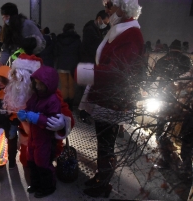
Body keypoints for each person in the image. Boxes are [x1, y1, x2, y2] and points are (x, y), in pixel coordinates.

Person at [76, 0, 144, 197]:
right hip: (107, 95)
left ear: (123, 7)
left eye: (110, 6)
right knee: (104, 142)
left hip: (112, 98)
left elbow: (117, 70)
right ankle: (101, 178)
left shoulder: (131, 34)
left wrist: (83, 73)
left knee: (106, 143)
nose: (106, 10)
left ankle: (103, 183)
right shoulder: (120, 29)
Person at [18, 65, 61, 198]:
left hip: (44, 138)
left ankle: (48, 187)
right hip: (33, 136)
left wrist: (38, 118)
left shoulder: (53, 100)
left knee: (42, 162)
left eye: (40, 84)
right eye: (36, 83)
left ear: (48, 84)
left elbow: (53, 120)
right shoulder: (35, 96)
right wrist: (24, 113)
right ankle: (36, 184)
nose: (37, 86)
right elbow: (29, 107)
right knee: (31, 160)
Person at [152, 39, 192, 169]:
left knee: (162, 125)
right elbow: (187, 79)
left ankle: (166, 156)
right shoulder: (186, 61)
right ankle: (184, 166)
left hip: (164, 96)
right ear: (180, 49)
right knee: (178, 130)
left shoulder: (164, 59)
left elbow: (153, 76)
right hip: (181, 100)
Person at [78, 10, 110, 123]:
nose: (105, 25)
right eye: (105, 22)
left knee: (88, 90)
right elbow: (92, 47)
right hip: (88, 63)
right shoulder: (90, 30)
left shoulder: (94, 29)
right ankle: (82, 114)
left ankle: (85, 113)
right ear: (99, 18)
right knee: (85, 91)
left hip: (90, 63)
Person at [0, 2, 45, 67]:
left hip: (31, 63)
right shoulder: (7, 29)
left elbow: (41, 43)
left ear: (13, 16)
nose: (5, 19)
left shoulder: (28, 24)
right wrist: (1, 62)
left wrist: (28, 46)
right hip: (16, 64)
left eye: (7, 16)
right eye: (3, 17)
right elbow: (6, 48)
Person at [54, 23, 81, 111]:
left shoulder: (59, 39)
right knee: (71, 86)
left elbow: (56, 52)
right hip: (73, 65)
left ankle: (65, 105)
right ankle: (71, 106)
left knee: (64, 86)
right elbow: (79, 52)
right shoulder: (77, 39)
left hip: (62, 64)